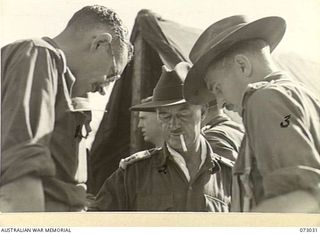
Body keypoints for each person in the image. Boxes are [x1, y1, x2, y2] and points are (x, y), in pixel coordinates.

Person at [0, 5, 132, 212]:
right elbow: (21, 168)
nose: (104, 89)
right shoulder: (39, 55)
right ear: (99, 43)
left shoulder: (65, 84)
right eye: (111, 75)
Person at [183, 15, 320, 212]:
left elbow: (300, 197)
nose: (220, 103)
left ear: (242, 65)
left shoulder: (265, 99)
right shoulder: (304, 96)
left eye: (218, 88)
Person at [91, 62, 231, 211]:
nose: (174, 124)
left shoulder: (228, 176)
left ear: (202, 112)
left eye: (183, 114)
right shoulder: (134, 174)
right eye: (165, 116)